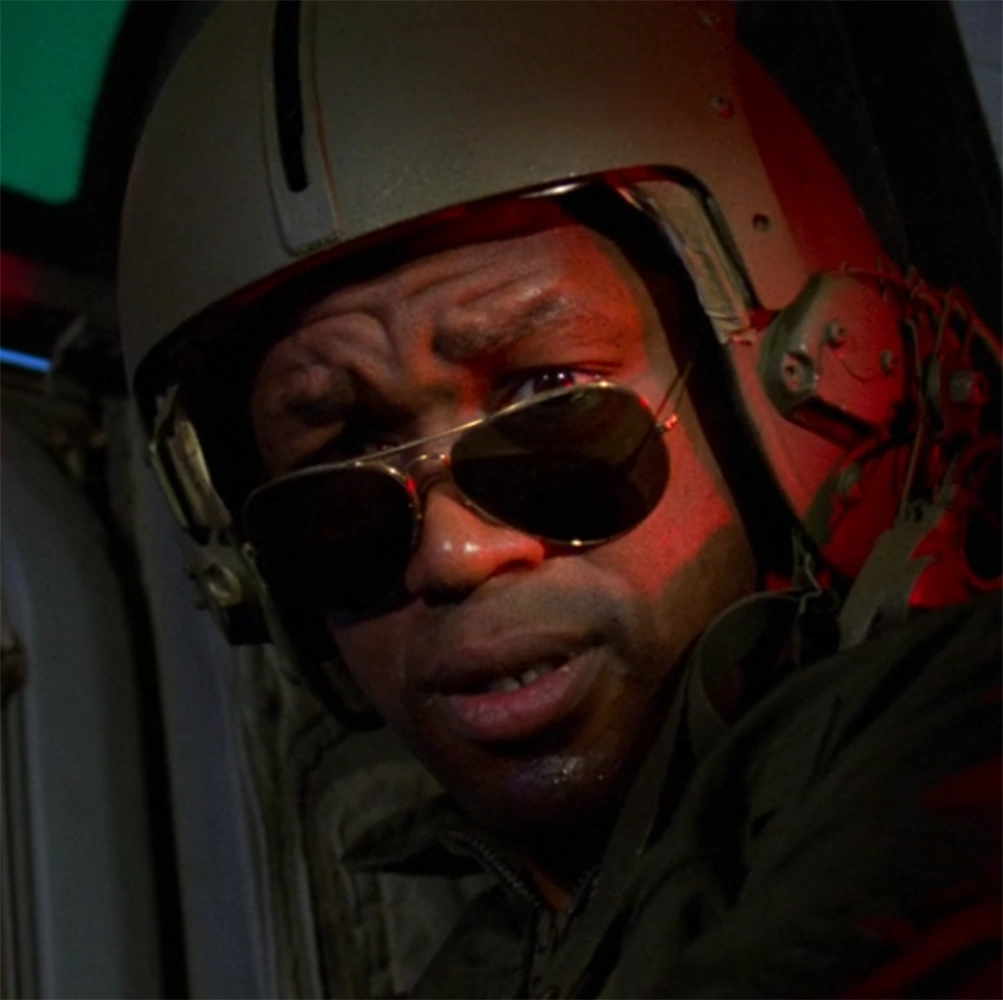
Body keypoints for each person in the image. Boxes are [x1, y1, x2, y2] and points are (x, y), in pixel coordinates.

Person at [118, 3, 1001, 996]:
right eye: (344, 471)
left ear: (799, 382)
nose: (454, 553)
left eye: (549, 402)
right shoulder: (493, 965)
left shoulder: (959, 749)